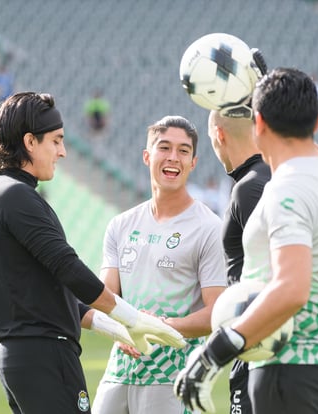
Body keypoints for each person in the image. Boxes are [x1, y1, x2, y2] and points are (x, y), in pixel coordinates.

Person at [0, 92, 186, 414]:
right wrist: (133, 317)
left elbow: (47, 293)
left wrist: (116, 328)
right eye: (56, 141)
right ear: (30, 141)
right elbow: (68, 269)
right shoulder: (18, 197)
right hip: (45, 356)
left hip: (24, 358)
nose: (62, 152)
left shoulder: (0, 195)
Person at [174, 68, 318, 414]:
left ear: (259, 124)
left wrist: (215, 352)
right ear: (317, 124)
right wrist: (267, 82)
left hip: (288, 367)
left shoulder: (287, 188)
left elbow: (292, 288)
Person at [91, 115, 227, 414]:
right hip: (120, 370)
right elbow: (104, 296)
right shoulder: (121, 225)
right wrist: (122, 328)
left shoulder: (209, 228)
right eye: (164, 147)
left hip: (171, 377)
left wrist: (158, 327)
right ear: (146, 155)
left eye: (183, 151)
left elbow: (216, 313)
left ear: (193, 162)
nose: (173, 158)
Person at [207, 109, 271, 413]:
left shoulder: (250, 188)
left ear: (219, 135)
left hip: (259, 345)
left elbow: (277, 271)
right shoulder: (273, 178)